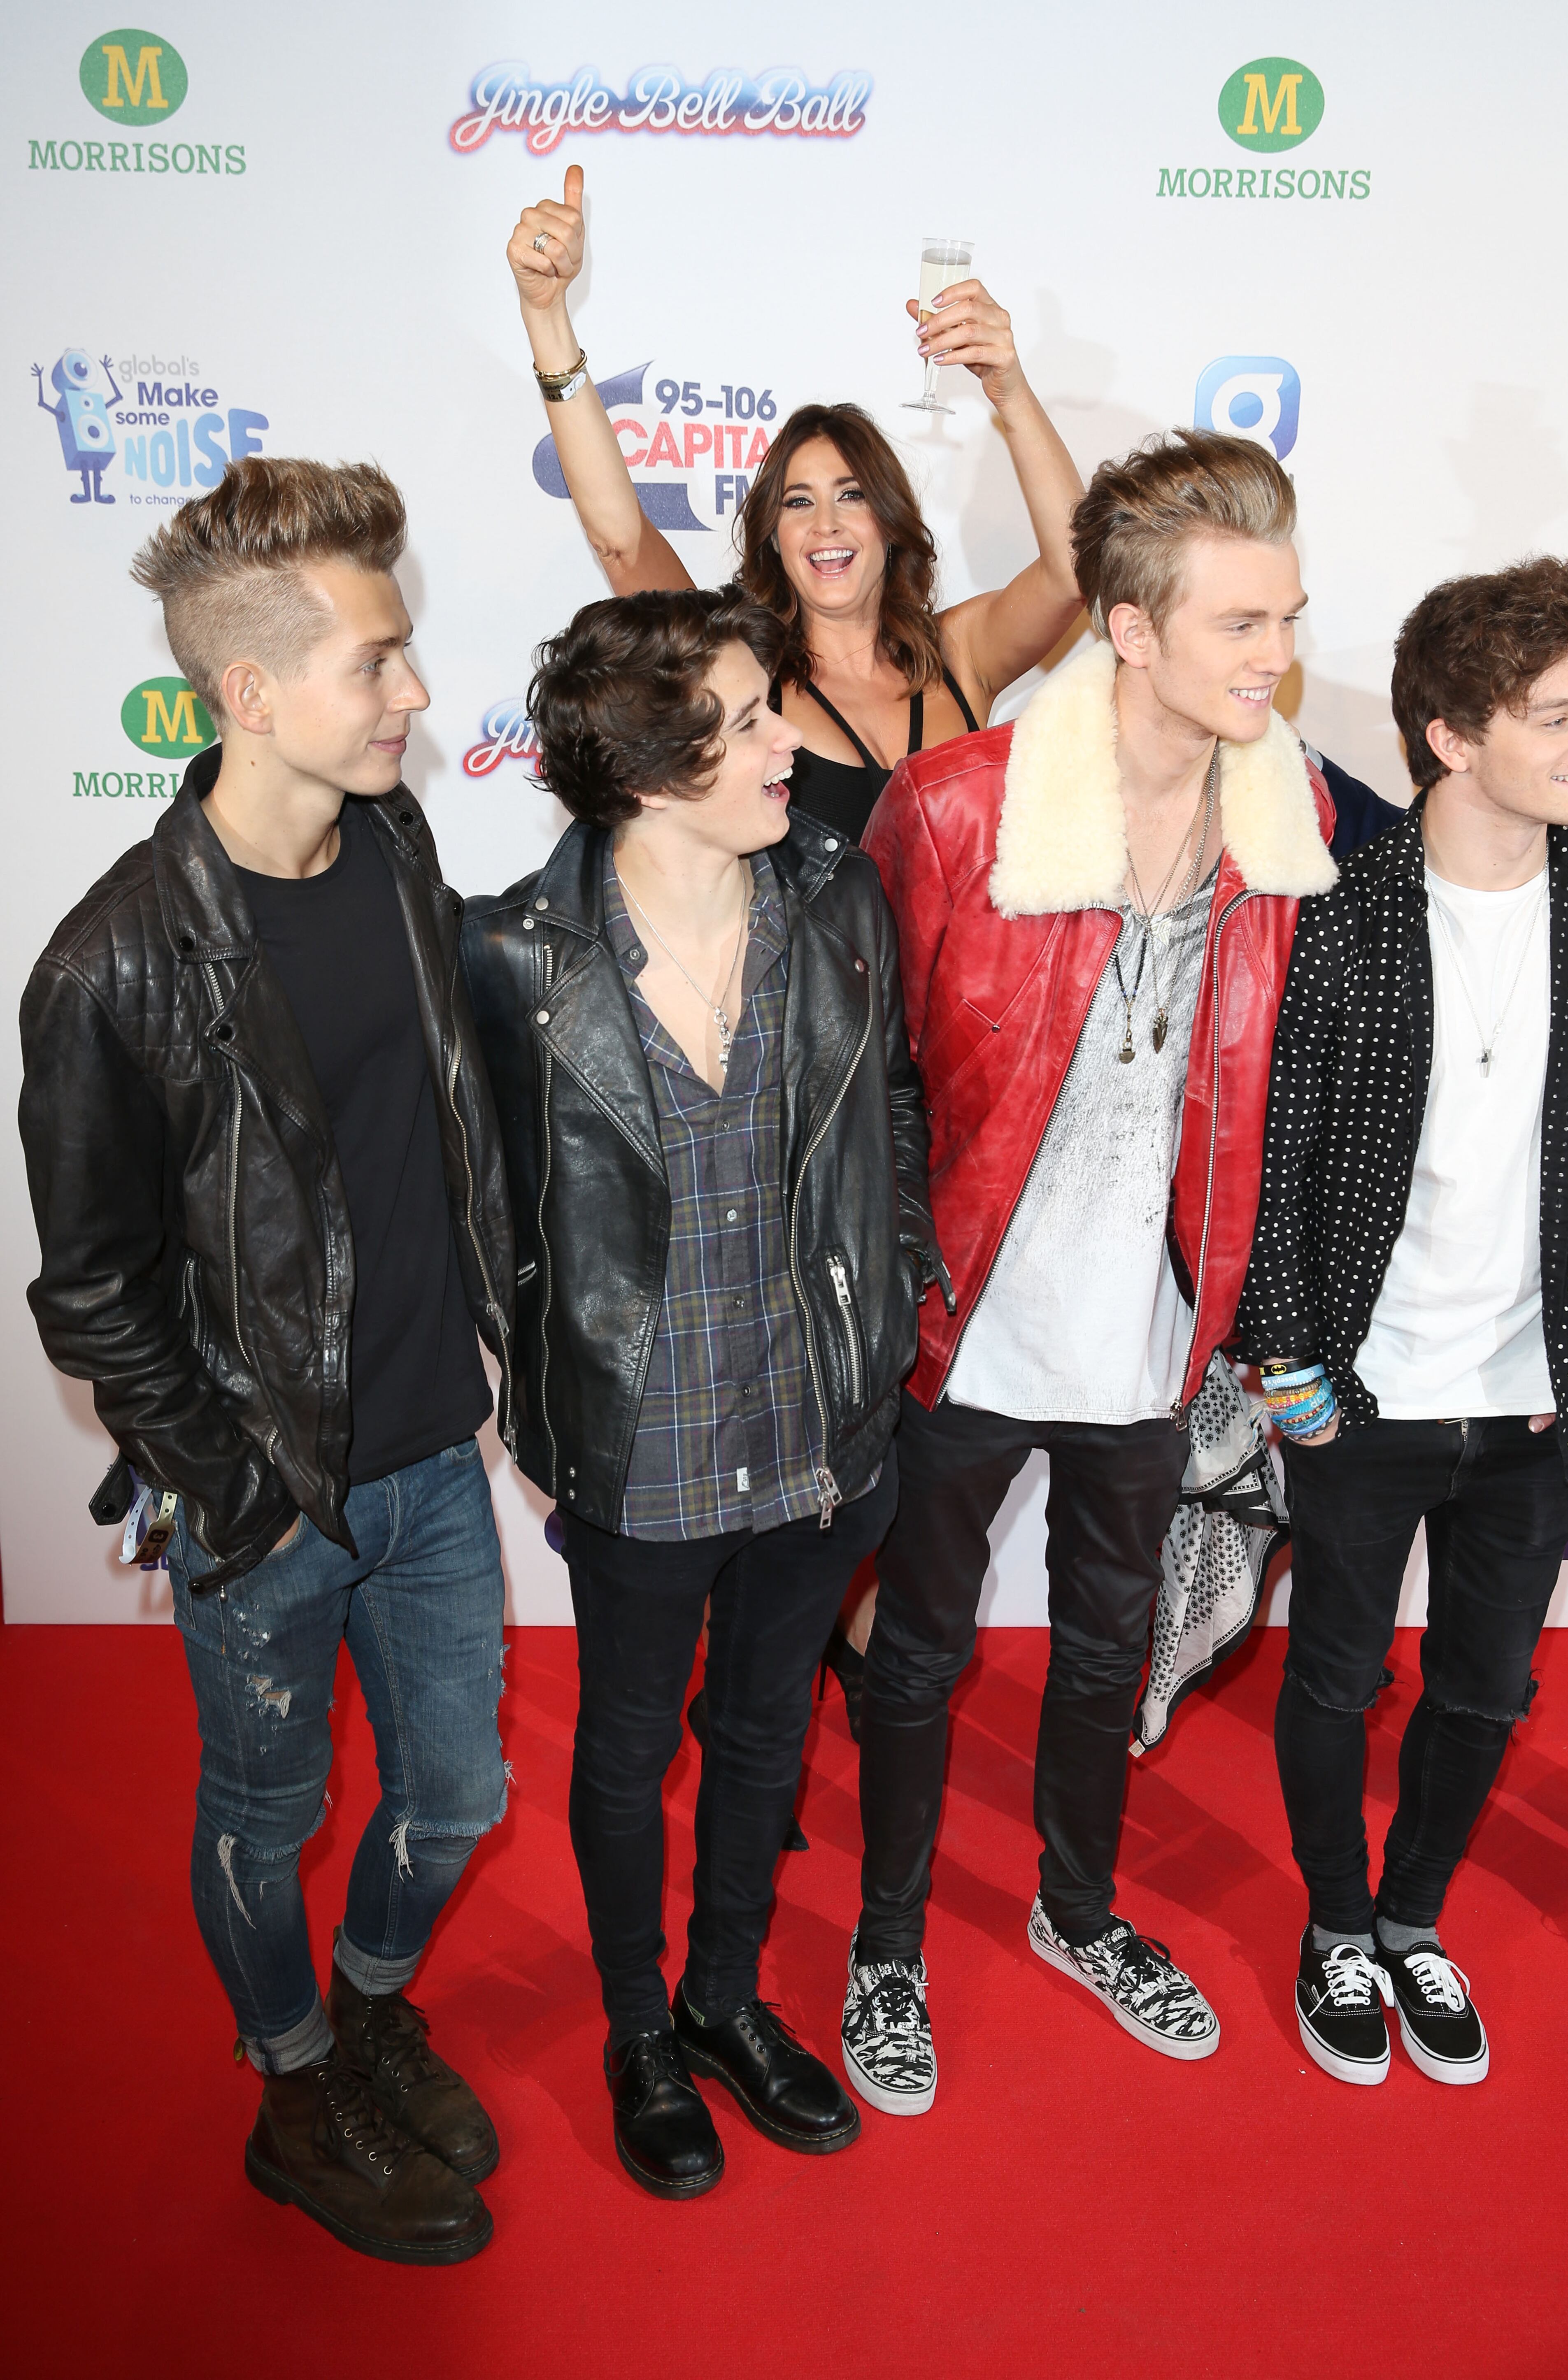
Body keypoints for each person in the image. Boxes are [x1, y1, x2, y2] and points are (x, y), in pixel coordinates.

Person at [19, 458, 516, 2264]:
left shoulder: (394, 852)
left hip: (434, 1458)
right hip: (266, 1500)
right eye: (378, 663)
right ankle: (294, 2083)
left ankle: (370, 2005)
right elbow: (91, 1292)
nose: (413, 699)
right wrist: (226, 1495)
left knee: (456, 1791)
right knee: (268, 1810)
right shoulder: (112, 966)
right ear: (249, 692)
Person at [507, 163, 1084, 1712]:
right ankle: (778, 1669)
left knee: (891, 1412)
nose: (826, 522)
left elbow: (1093, 571)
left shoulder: (962, 658)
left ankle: (815, 1651)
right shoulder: (746, 662)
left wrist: (1012, 380)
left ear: (895, 519)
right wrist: (551, 324)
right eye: (797, 499)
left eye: (851, 494)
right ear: (771, 529)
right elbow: (621, 533)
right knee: (814, 1388)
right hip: (800, 1083)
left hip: (958, 1079)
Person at [839, 429, 1340, 2118]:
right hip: (961, 1329)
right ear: (1129, 629)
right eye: (1241, 625)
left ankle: (1076, 1912)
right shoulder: (957, 807)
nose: (1279, 657)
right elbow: (868, 1082)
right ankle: (886, 1954)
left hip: (1150, 1335)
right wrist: (898, 1290)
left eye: (1288, 619)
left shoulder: (1294, 816)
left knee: (1108, 1648)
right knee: (914, 1656)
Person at [461, 585, 948, 2198]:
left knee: (760, 1736)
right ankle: (635, 2033)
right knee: (624, 1751)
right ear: (654, 771)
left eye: (770, 709)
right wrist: (533, 1368)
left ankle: (725, 1999)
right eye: (745, 723)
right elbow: (477, 1203)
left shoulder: (834, 899)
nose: (788, 744)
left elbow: (890, 1100)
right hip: (639, 1440)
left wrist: (887, 1298)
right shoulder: (514, 958)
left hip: (820, 1417)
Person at [1237, 556, 1568, 2087]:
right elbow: (1269, 1147)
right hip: (1362, 1394)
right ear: (1451, 735)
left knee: (1490, 1686)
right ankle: (1332, 1928)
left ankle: (1417, 1918)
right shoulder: (1338, 912)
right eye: (1558, 717)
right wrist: (1286, 1357)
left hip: (1536, 1403)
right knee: (1333, 1676)